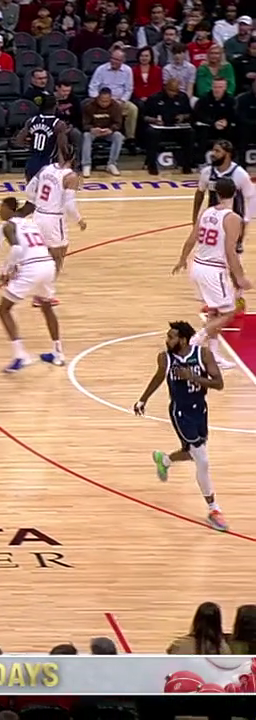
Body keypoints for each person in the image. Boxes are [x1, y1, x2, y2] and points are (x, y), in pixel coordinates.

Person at [133, 321, 228, 532]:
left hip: (200, 410)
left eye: (171, 337)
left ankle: (165, 460)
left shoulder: (202, 354)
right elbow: (158, 378)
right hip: (180, 412)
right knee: (202, 460)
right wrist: (142, 400)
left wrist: (193, 377)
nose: (167, 340)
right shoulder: (165, 358)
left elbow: (219, 384)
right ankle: (214, 509)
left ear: (183, 340)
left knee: (192, 453)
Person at [174, 177, 250, 372]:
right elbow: (230, 252)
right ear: (235, 193)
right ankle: (196, 340)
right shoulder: (233, 218)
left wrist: (182, 259)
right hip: (213, 270)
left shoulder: (206, 212)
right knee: (229, 312)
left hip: (197, 266)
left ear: (216, 193)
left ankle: (214, 355)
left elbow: (191, 238)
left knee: (214, 312)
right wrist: (240, 277)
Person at [0, 197, 64, 372]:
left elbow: (17, 249)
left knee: (3, 309)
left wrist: (6, 271)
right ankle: (58, 353)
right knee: (47, 307)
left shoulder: (8, 226)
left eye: (1, 208)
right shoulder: (31, 223)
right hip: (47, 265)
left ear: (9, 208)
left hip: (32, 268)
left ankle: (20, 355)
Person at [22, 146, 85, 306]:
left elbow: (29, 190)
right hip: (54, 219)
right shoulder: (71, 176)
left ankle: (31, 283)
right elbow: (70, 206)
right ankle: (43, 296)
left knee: (42, 253)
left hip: (38, 215)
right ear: (73, 158)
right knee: (58, 256)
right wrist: (79, 220)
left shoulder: (45, 169)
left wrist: (39, 203)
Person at [17, 94, 70, 181]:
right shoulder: (58, 124)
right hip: (48, 165)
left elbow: (19, 141)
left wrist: (31, 144)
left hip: (32, 164)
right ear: (56, 105)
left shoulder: (31, 121)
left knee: (32, 189)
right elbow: (62, 147)